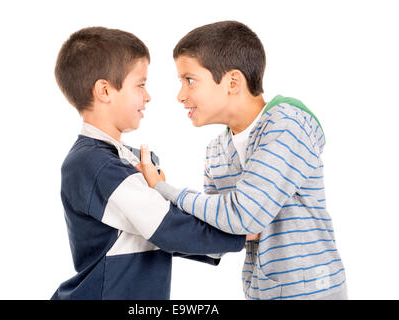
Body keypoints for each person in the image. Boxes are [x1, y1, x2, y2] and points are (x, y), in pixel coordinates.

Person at [137, 21, 348, 300]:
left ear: (233, 82)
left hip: (312, 293)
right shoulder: (216, 152)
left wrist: (167, 192)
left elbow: (244, 216)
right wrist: (152, 216)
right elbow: (217, 234)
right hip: (260, 292)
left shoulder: (286, 126)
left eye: (189, 80)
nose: (180, 95)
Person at [50, 26, 246, 300]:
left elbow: (158, 235)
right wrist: (242, 234)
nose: (148, 95)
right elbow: (166, 228)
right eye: (140, 85)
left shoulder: (119, 160)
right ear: (104, 90)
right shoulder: (94, 164)